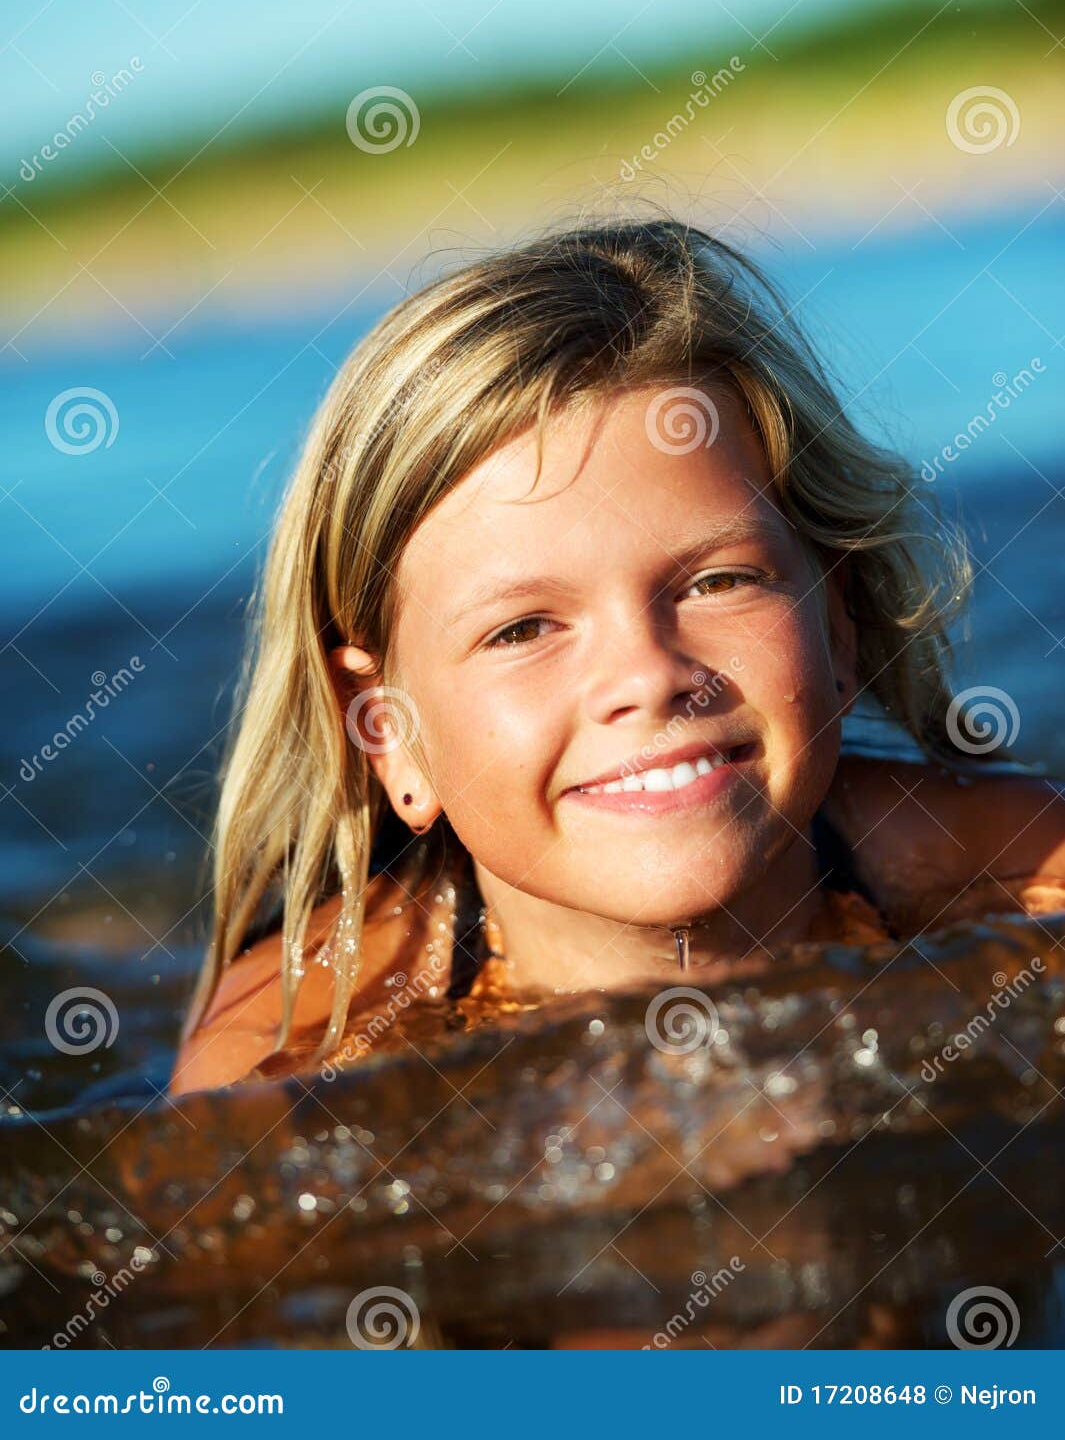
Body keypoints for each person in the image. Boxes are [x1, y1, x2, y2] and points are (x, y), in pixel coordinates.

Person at [170, 217, 1065, 1096]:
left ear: (833, 621)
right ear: (388, 734)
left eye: (717, 581)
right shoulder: (288, 1066)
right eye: (522, 629)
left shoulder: (1020, 886)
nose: (645, 674)